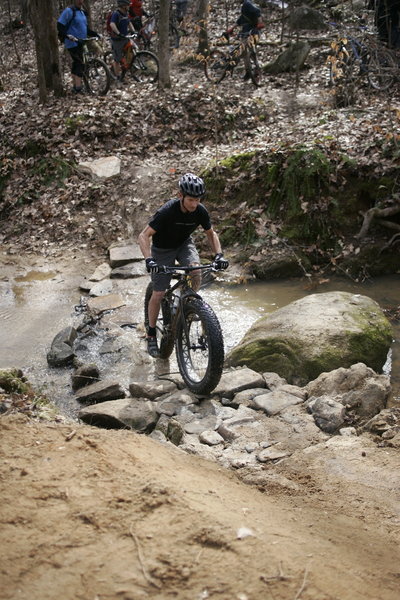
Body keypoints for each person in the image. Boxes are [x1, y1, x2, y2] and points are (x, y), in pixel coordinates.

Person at [138, 173, 229, 358]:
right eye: (190, 200)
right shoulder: (167, 211)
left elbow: (211, 234)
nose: (194, 204)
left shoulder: (200, 211)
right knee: (159, 293)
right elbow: (143, 236)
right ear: (180, 195)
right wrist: (150, 260)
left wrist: (219, 255)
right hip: (162, 249)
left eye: (197, 199)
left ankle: (187, 302)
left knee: (195, 270)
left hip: (184, 244)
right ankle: (151, 333)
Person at [57, 0, 100, 94]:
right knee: (80, 63)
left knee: (78, 64)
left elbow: (85, 28)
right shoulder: (69, 11)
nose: (80, 1)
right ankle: (78, 87)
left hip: (82, 41)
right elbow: (60, 25)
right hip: (72, 42)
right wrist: (67, 36)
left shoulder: (81, 12)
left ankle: (75, 86)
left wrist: (95, 34)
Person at [225, 0, 264, 80]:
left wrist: (260, 23)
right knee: (249, 52)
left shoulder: (247, 3)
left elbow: (257, 11)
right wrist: (232, 28)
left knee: (244, 51)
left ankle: (249, 71)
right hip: (249, 33)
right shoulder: (245, 6)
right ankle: (254, 70)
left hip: (250, 33)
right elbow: (241, 19)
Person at [109, 0, 135, 80]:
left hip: (125, 38)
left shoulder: (126, 13)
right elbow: (112, 24)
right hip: (117, 40)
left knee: (130, 53)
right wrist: (118, 33)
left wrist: (134, 31)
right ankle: (117, 77)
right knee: (117, 59)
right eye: (127, 5)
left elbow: (129, 22)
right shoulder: (116, 14)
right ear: (123, 5)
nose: (129, 6)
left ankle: (126, 69)